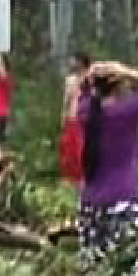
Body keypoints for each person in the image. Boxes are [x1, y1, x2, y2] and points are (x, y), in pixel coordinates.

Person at [77, 60, 138, 276]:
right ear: (119, 85)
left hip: (91, 206)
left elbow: (82, 91)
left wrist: (91, 76)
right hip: (123, 202)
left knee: (93, 272)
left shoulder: (86, 111)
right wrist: (126, 70)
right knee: (135, 270)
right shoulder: (128, 111)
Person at [59, 52, 93, 185]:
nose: (72, 63)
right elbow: (66, 100)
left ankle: (84, 176)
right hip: (72, 117)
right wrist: (63, 117)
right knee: (69, 149)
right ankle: (70, 177)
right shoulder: (70, 80)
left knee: (82, 149)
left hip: (85, 118)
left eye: (74, 60)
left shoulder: (91, 78)